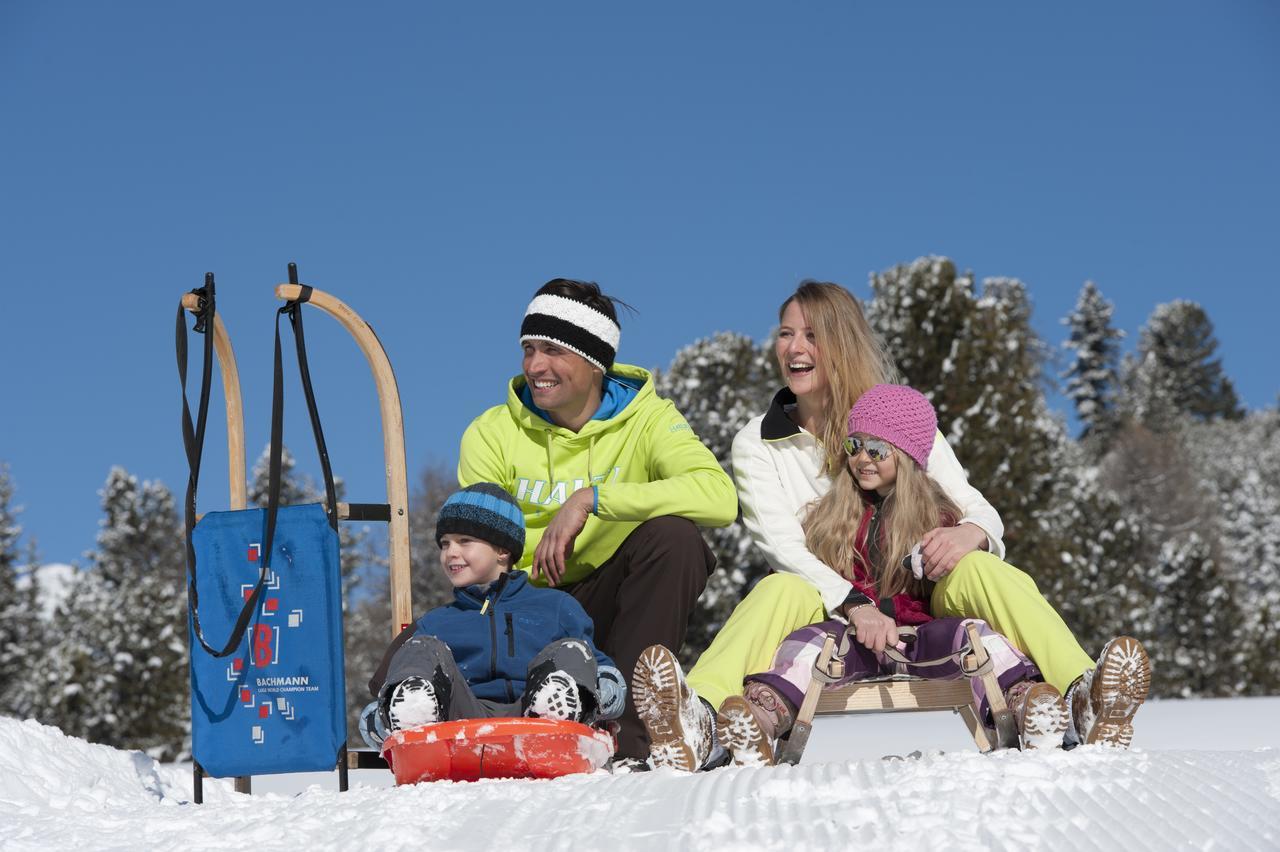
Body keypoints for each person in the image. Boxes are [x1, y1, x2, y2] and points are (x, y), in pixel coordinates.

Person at [632, 282, 1150, 769]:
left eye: (813, 335)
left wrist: (969, 534)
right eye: (786, 333)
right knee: (778, 588)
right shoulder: (758, 442)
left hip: (922, 592)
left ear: (843, 343)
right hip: (823, 602)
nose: (794, 348)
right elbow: (783, 547)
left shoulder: (895, 418)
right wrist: (855, 607)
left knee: (981, 570)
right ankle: (695, 714)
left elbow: (978, 509)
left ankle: (1085, 693)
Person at [456, 279, 738, 761]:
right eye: (528, 349)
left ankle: (632, 738)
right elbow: (477, 549)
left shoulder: (649, 420)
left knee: (675, 538)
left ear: (593, 360)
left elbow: (718, 497)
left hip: (614, 607)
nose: (534, 366)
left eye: (552, 350)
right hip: (530, 603)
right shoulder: (492, 432)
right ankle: (511, 712)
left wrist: (593, 499)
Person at [362, 483, 627, 746]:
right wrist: (379, 716)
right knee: (420, 647)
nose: (450, 553)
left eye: (465, 541)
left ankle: (557, 711)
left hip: (532, 716)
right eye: (445, 544)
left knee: (570, 649)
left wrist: (605, 687)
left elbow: (594, 660)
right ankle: (415, 718)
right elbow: (396, 672)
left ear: (503, 550)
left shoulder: (555, 606)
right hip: (461, 724)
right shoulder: (436, 622)